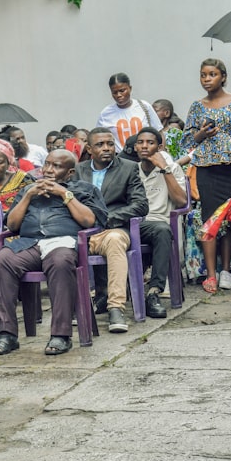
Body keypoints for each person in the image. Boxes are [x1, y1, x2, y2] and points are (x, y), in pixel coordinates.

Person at [0, 149, 107, 356]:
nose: (49, 170)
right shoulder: (28, 189)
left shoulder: (85, 190)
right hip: (30, 243)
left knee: (60, 262)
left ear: (70, 173)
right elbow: (13, 225)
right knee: (2, 260)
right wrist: (28, 195)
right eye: (47, 164)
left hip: (63, 243)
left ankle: (60, 335)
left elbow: (90, 221)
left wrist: (64, 194)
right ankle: (6, 333)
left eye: (57, 166)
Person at [180, 59, 231, 294]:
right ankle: (211, 276)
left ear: (223, 77)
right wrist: (201, 134)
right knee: (209, 223)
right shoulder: (197, 106)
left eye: (212, 74)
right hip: (207, 170)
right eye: (203, 75)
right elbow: (186, 142)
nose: (206, 79)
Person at [78, 128, 149, 331]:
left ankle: (116, 307)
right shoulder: (78, 170)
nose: (106, 148)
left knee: (116, 240)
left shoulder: (128, 168)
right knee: (60, 245)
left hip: (113, 229)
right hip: (83, 231)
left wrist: (109, 219)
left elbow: (141, 204)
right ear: (89, 148)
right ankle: (77, 306)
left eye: (110, 144)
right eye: (100, 145)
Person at [133, 127, 188, 318]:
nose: (145, 146)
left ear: (160, 146)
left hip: (162, 223)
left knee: (162, 231)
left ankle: (154, 292)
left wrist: (164, 168)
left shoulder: (172, 168)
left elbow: (181, 201)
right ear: (135, 147)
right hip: (136, 224)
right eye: (140, 142)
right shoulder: (131, 170)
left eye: (150, 142)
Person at [97, 73, 163, 152]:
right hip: (120, 159)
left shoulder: (144, 106)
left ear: (130, 88)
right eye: (114, 92)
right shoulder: (106, 113)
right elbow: (98, 138)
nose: (119, 95)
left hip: (146, 156)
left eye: (122, 91)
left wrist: (161, 154)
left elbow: (159, 132)